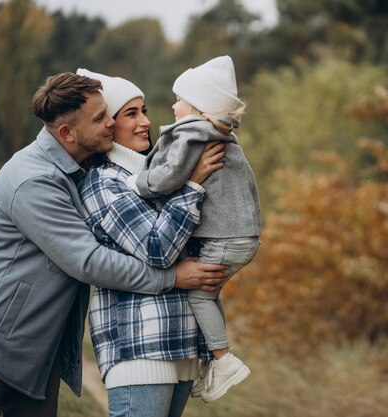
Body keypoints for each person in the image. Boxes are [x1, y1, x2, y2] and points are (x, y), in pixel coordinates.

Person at [0, 73, 228, 417]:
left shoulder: (75, 170)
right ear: (67, 133)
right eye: (100, 118)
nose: (111, 122)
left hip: (35, 351)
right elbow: (89, 261)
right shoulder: (34, 181)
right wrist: (171, 278)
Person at [75, 68, 229, 416]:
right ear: (108, 124)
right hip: (139, 348)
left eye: (144, 110)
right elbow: (157, 249)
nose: (145, 121)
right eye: (131, 113)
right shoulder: (104, 183)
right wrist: (192, 185)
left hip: (180, 346)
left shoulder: (155, 177)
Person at [127, 55, 261, 403]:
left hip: (225, 237)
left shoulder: (192, 134)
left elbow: (168, 177)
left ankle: (223, 360)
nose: (173, 105)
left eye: (179, 99)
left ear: (199, 106)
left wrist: (136, 182)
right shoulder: (221, 133)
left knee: (199, 293)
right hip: (242, 236)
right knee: (209, 295)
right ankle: (211, 363)